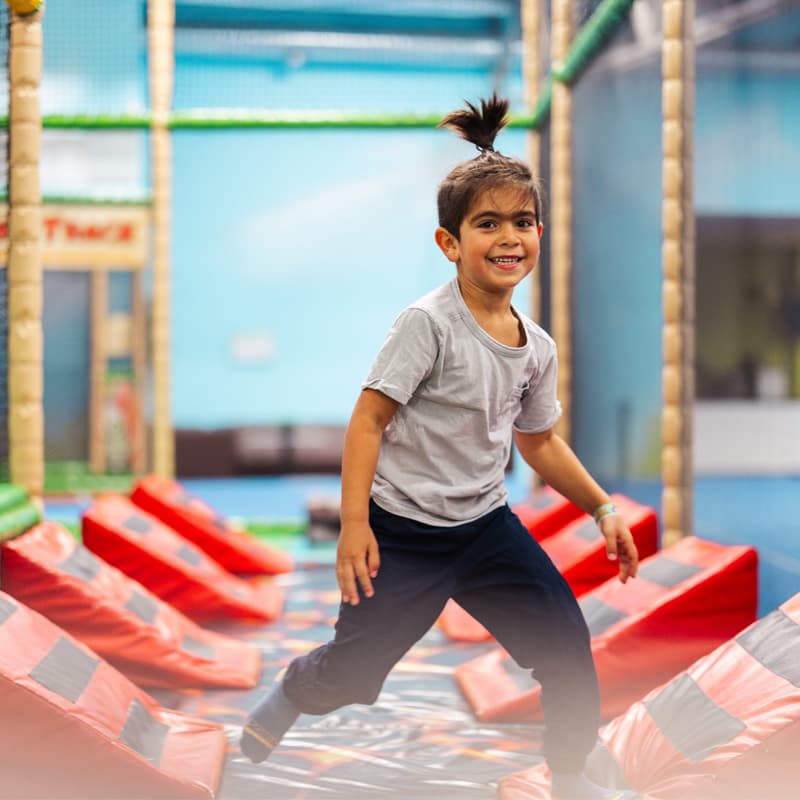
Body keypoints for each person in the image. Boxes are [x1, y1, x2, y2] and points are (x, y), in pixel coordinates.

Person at [241, 95, 639, 800]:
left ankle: (571, 773)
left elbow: (540, 442)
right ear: (450, 243)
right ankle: (296, 690)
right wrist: (355, 526)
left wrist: (602, 508)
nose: (508, 237)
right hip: (402, 535)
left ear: (540, 232)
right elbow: (367, 421)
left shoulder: (535, 348)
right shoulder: (426, 325)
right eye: (487, 224)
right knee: (354, 676)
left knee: (566, 645)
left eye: (522, 222)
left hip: (486, 529)